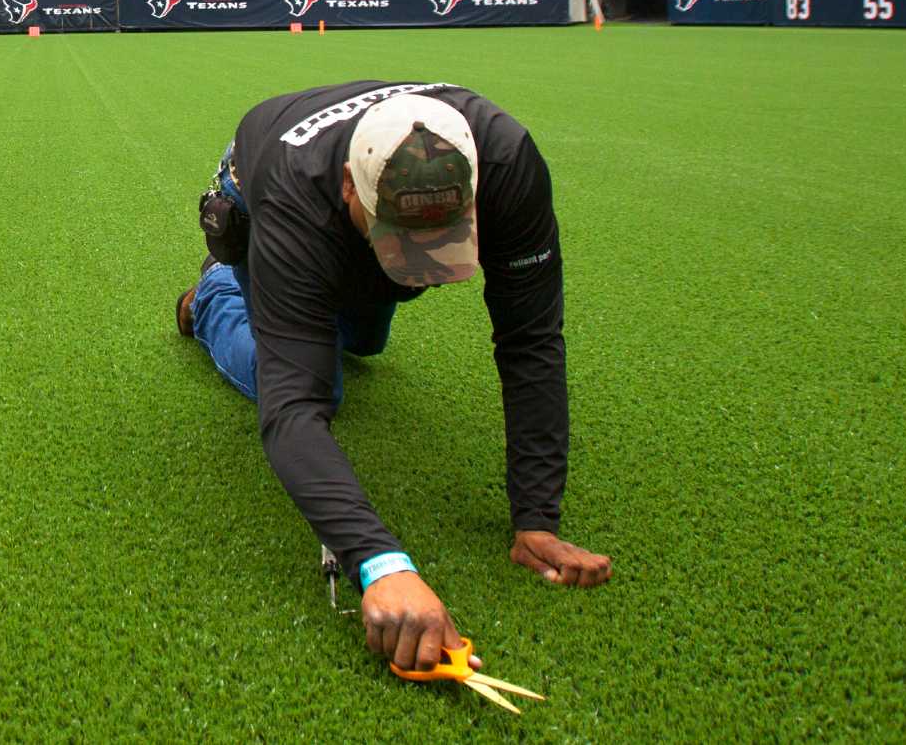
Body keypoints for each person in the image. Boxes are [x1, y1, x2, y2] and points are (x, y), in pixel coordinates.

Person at [175, 81, 610, 674]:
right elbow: (293, 412)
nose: (420, 273)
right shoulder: (295, 199)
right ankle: (214, 298)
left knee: (367, 342)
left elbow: (530, 341)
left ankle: (313, 296)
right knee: (317, 382)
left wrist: (536, 517)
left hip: (350, 207)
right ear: (354, 187)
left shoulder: (508, 162)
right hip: (263, 192)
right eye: (403, 242)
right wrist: (381, 564)